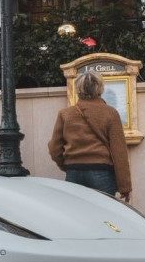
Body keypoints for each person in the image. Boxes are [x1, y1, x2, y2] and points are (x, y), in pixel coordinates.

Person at [48, 72, 132, 201]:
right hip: (102, 172)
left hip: (74, 172)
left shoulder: (65, 114)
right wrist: (124, 186)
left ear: (78, 89)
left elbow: (54, 148)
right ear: (100, 88)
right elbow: (119, 152)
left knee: (76, 216)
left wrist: (66, 166)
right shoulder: (111, 113)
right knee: (104, 216)